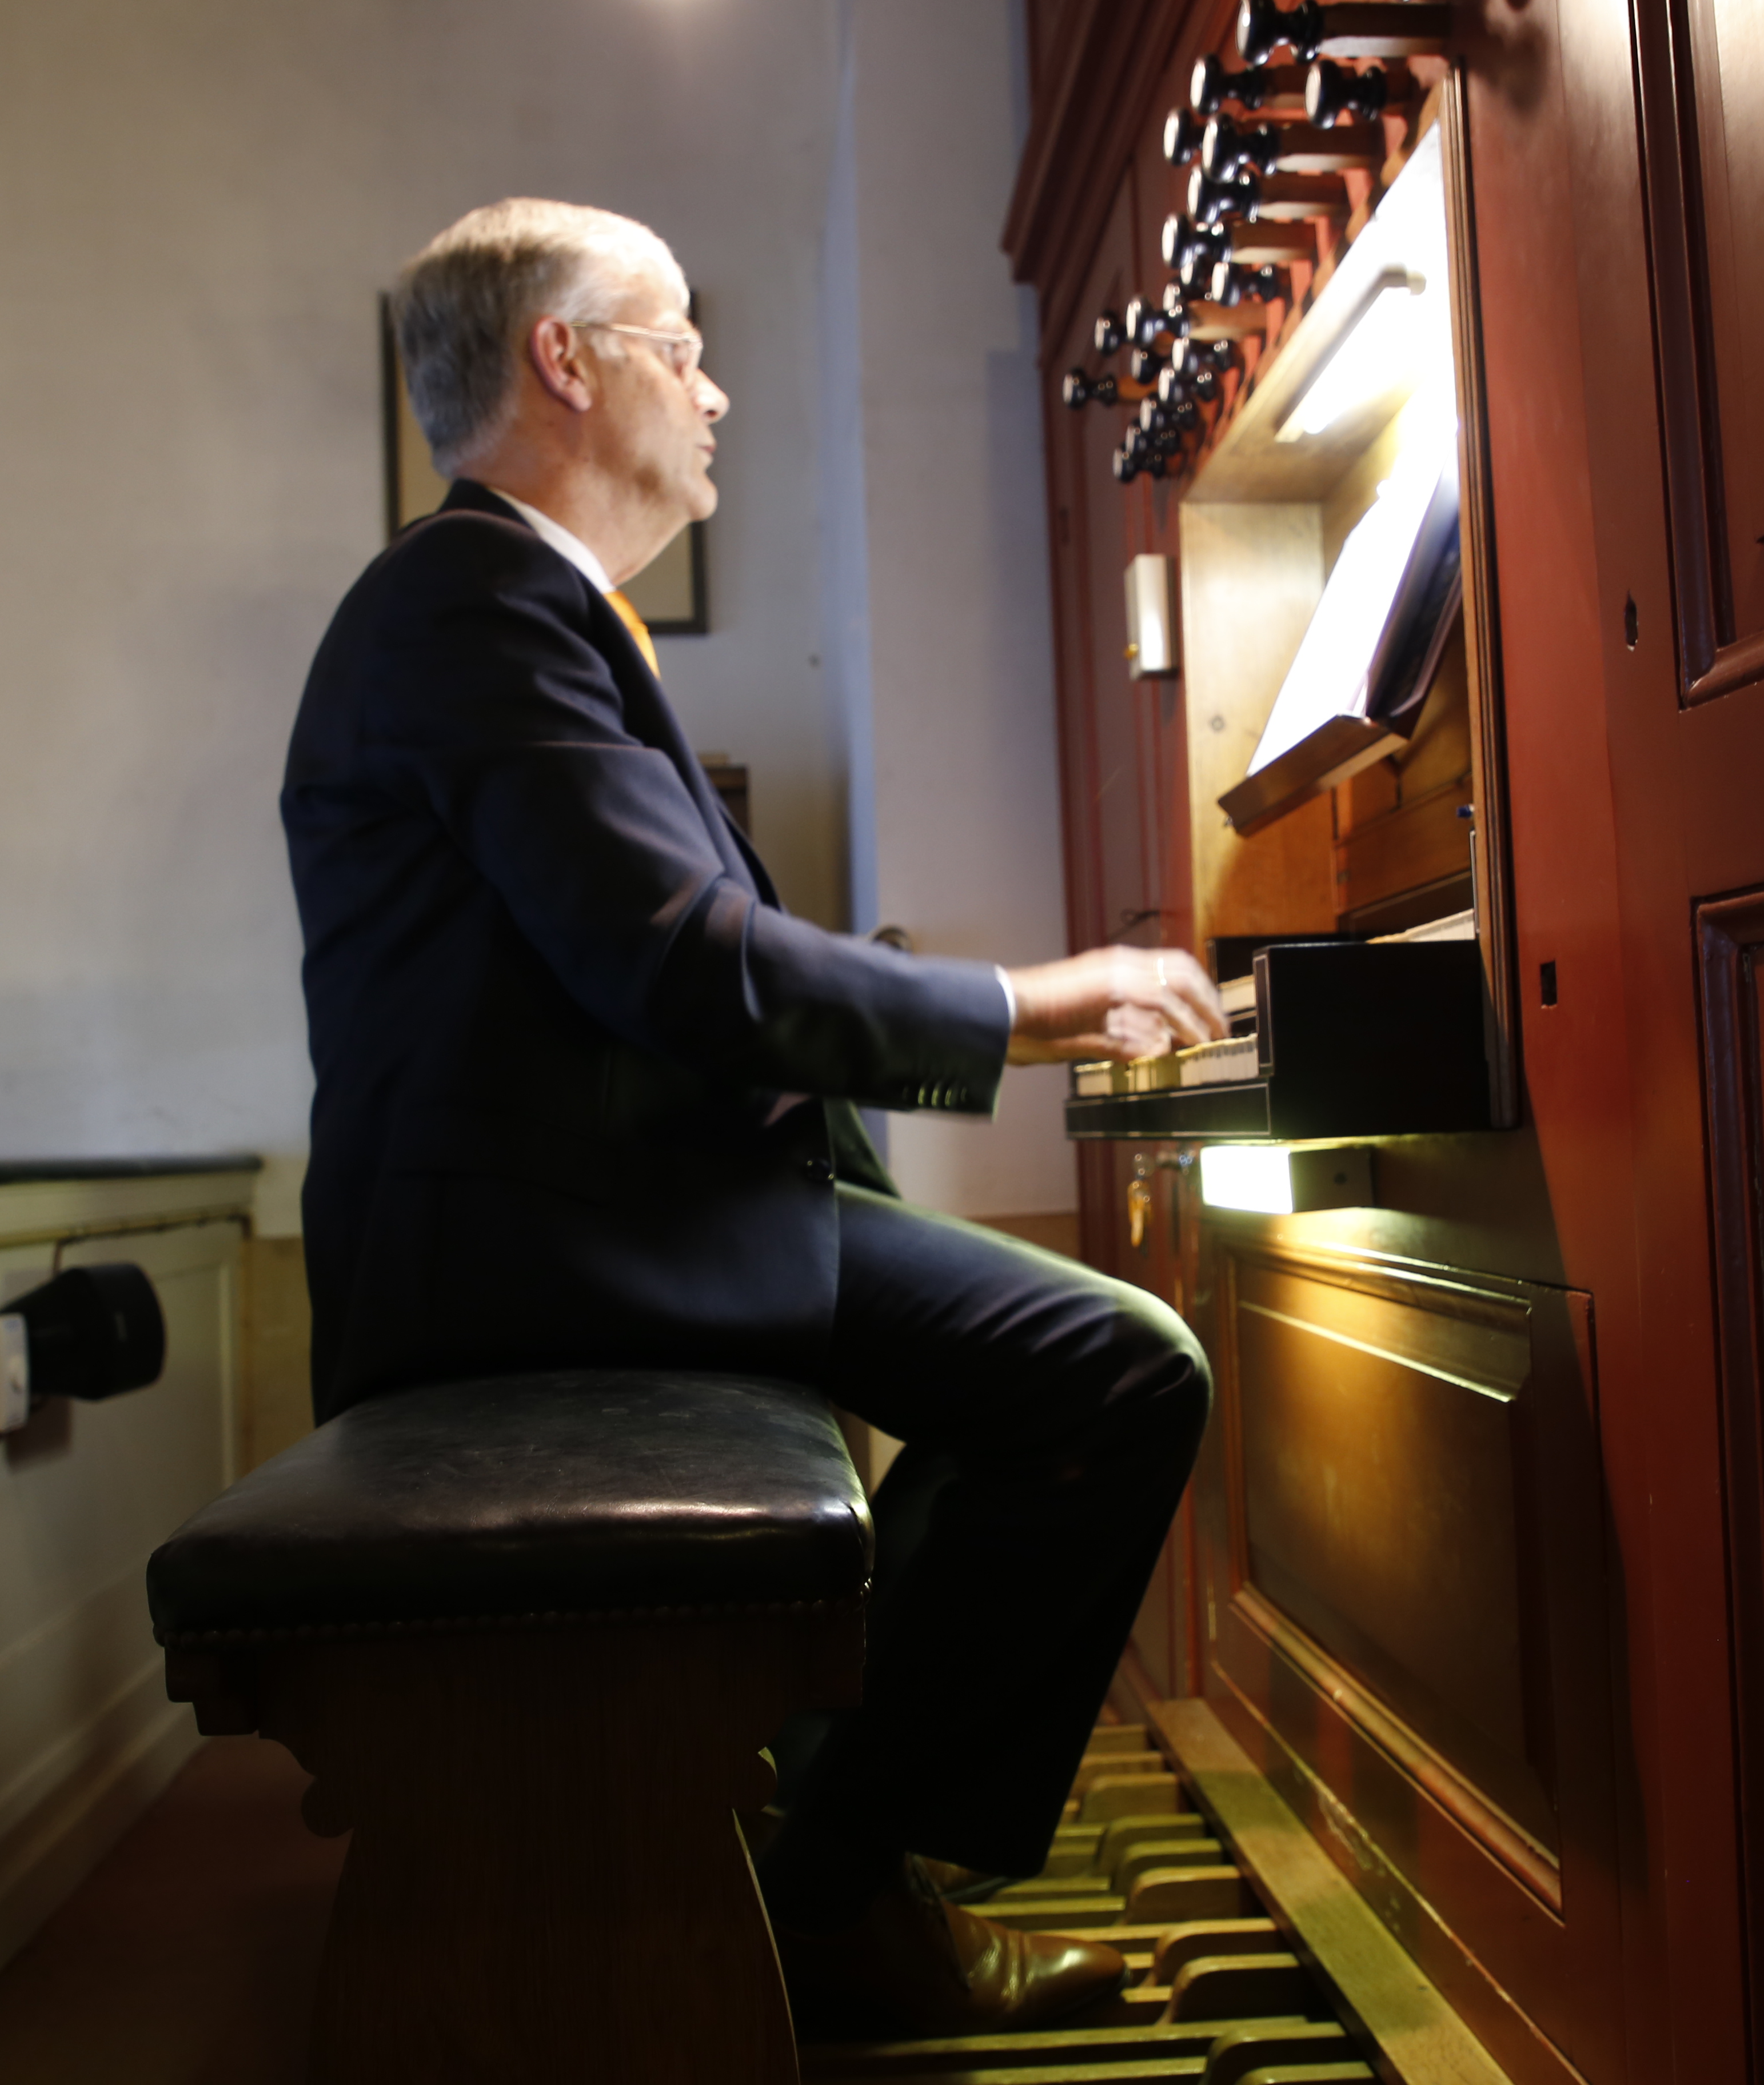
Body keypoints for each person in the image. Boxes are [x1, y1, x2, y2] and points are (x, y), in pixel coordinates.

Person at [280, 197, 1231, 2036]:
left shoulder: (522, 605)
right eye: (684, 345)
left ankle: (825, 1853)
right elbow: (677, 964)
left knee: (1058, 1367)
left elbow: (657, 962)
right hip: (542, 1258)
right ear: (566, 359)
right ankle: (831, 1899)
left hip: (595, 1216)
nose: (715, 392)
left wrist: (922, 1015)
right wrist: (1022, 1007)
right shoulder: (470, 598)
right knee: (1114, 1374)